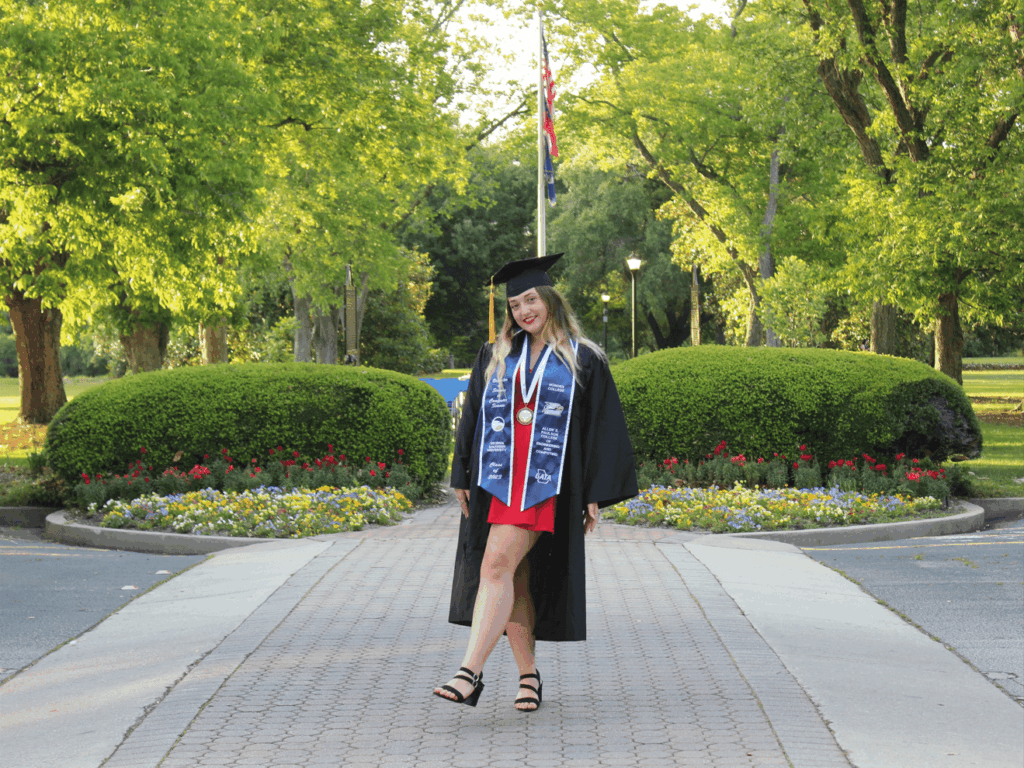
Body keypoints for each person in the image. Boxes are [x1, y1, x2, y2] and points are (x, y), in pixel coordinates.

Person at [434, 254, 638, 711]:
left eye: (531, 300)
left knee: (494, 567)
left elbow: (600, 429)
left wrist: (592, 493)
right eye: (514, 305)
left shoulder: (583, 358)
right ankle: (529, 678)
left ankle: (470, 673)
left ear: (549, 299)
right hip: (498, 483)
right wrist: (462, 472)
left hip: (547, 486)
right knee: (515, 576)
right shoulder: (495, 354)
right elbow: (473, 418)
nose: (524, 311)